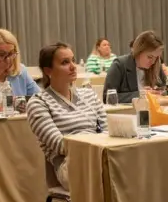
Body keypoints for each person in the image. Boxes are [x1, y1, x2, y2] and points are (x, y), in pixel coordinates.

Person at [26, 42, 108, 192]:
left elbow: (108, 131)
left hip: (99, 156)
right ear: (48, 70)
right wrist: (97, 145)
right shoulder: (38, 103)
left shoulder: (89, 94)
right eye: (65, 62)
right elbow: (60, 145)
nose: (73, 66)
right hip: (69, 166)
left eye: (73, 60)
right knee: (114, 175)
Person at [103, 30, 167, 104]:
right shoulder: (119, 65)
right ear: (138, 51)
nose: (153, 62)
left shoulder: (156, 65)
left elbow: (165, 90)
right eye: (149, 57)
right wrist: (140, 94)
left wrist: (159, 92)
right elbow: (107, 98)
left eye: (156, 57)